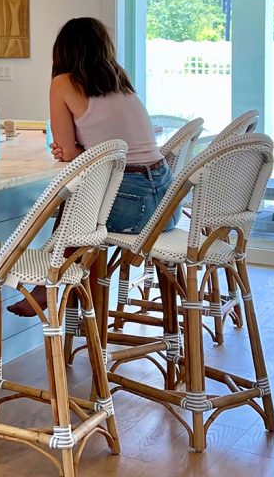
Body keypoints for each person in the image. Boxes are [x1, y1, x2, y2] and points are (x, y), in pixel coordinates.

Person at [11, 16, 172, 316]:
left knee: (72, 204)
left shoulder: (62, 83)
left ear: (63, 51)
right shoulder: (120, 79)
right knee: (78, 203)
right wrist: (82, 149)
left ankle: (50, 286)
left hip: (135, 208)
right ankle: (64, 295)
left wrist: (76, 149)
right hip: (166, 204)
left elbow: (67, 152)